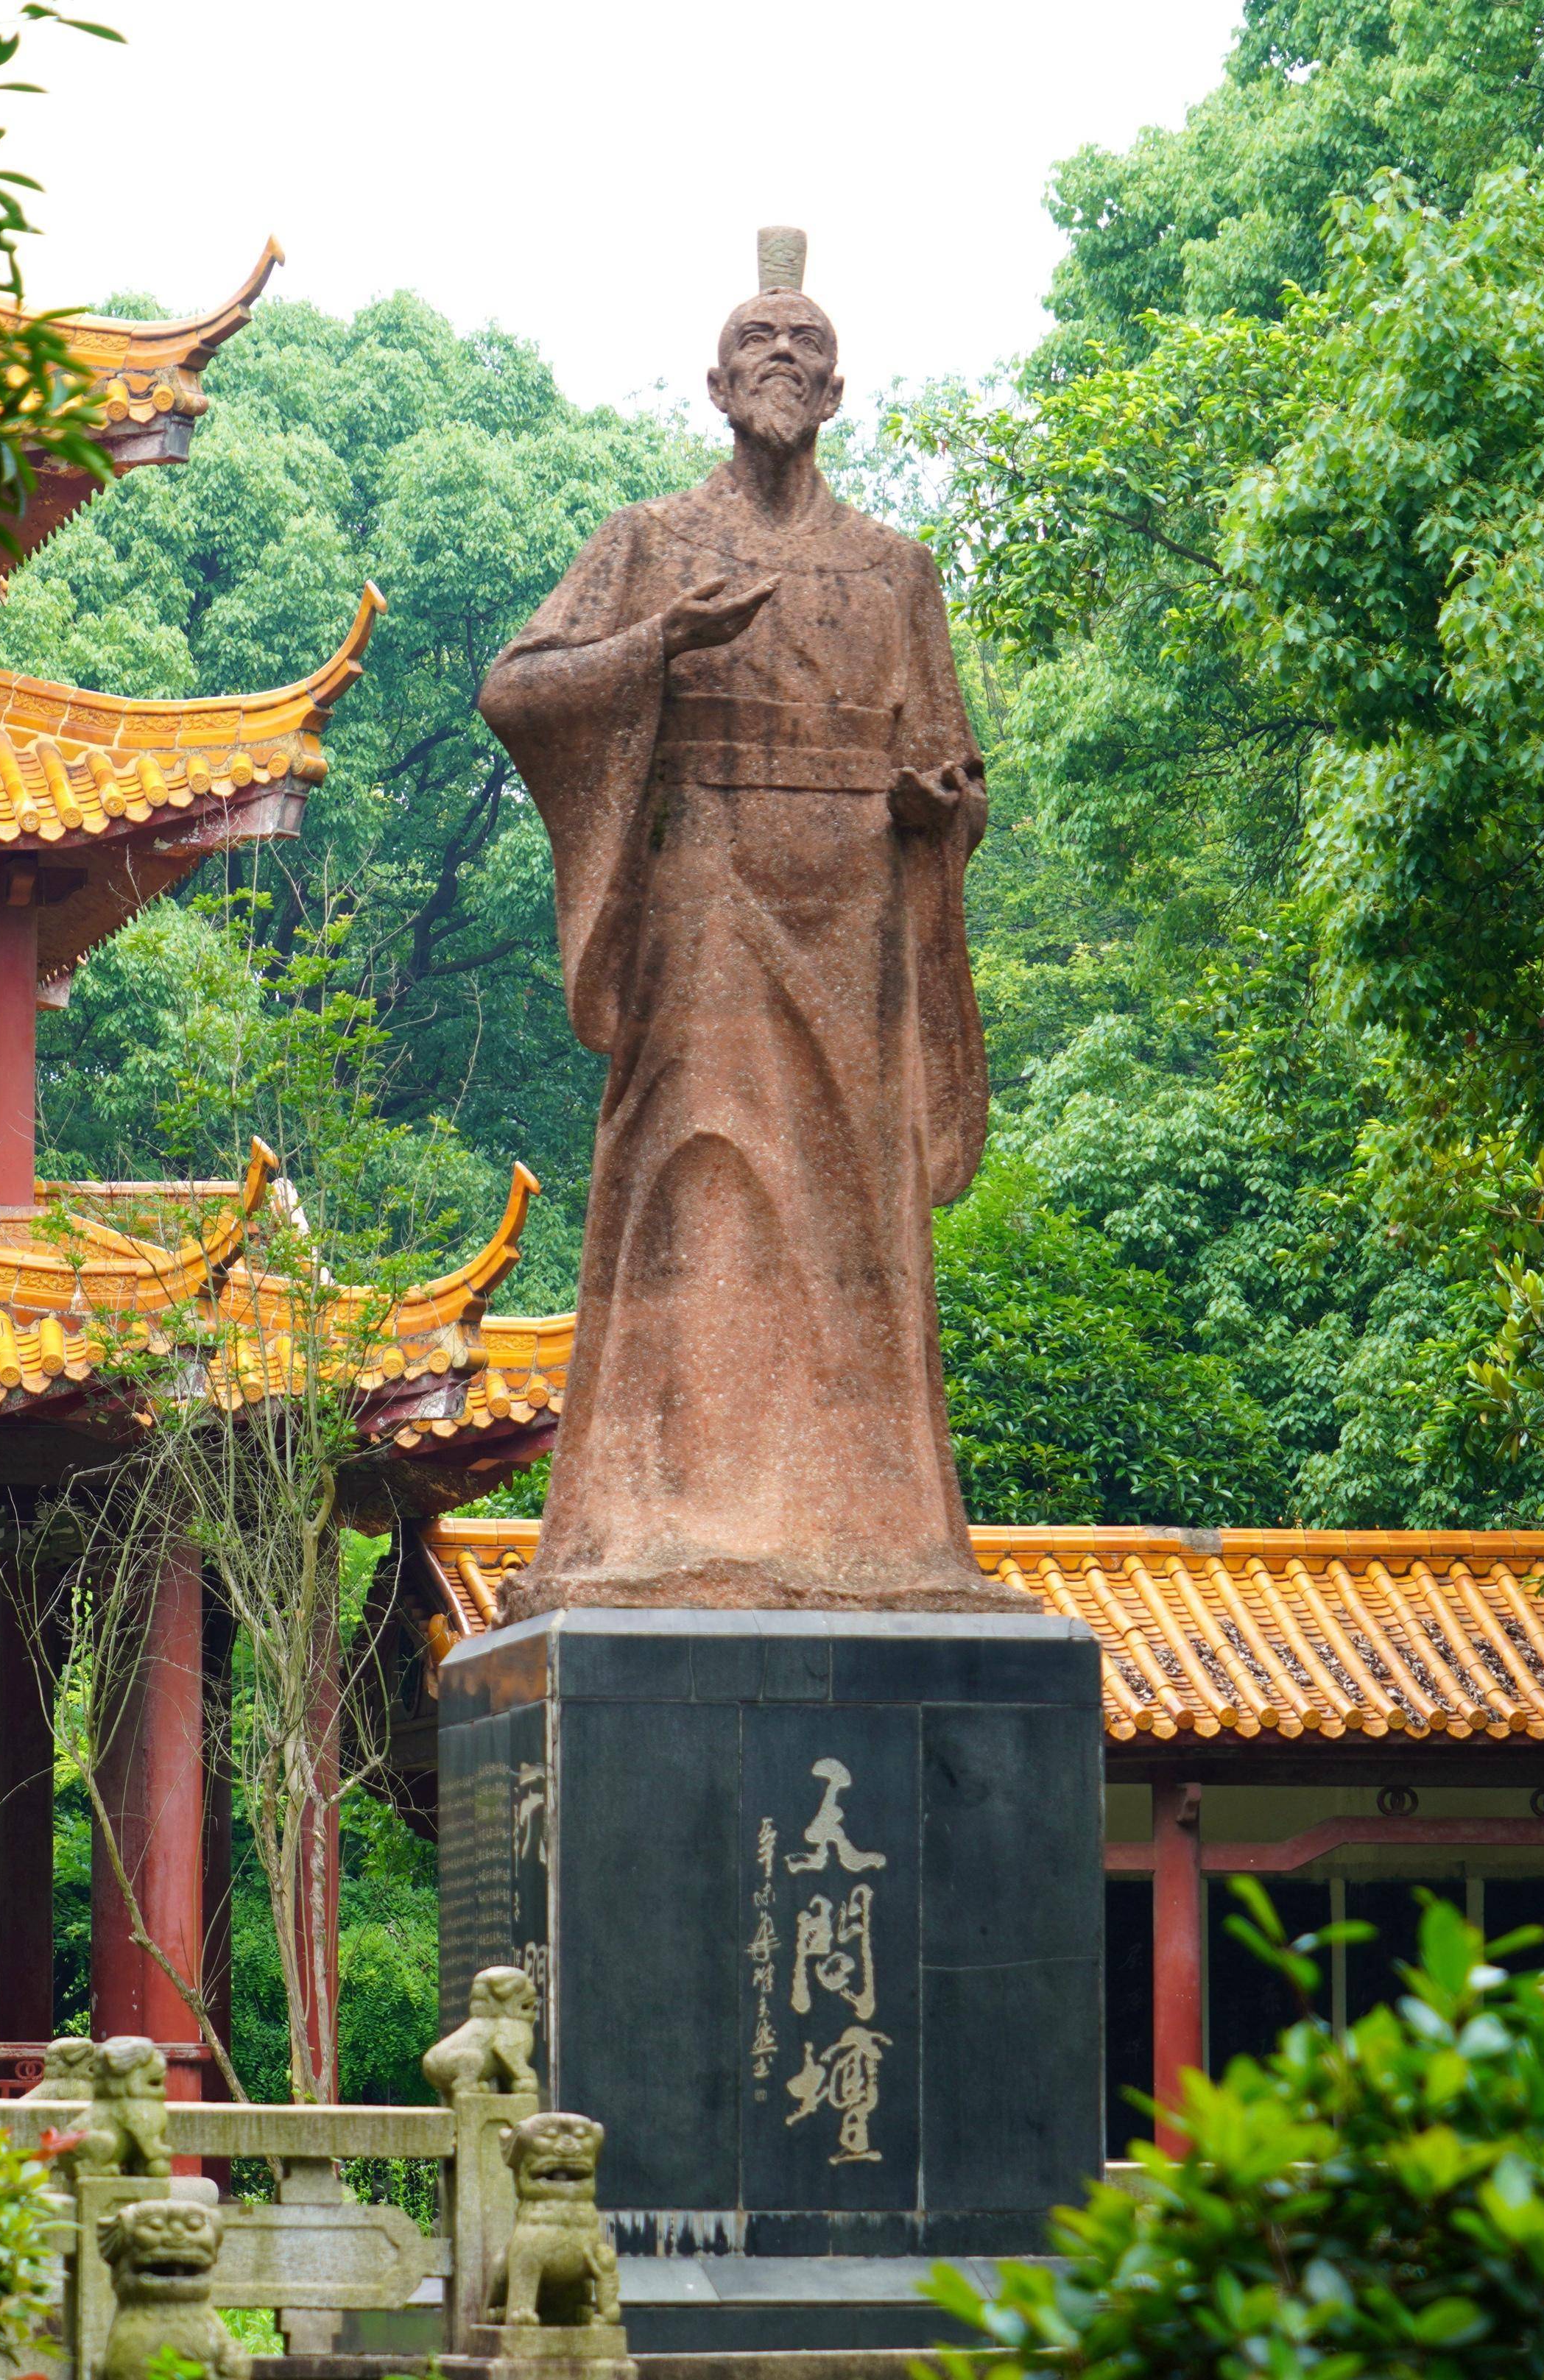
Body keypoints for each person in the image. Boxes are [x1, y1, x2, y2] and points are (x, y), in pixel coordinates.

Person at [478, 230, 1007, 1613]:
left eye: (809, 352)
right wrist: (662, 645)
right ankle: (663, 1522)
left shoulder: (898, 571)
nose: (784, 365)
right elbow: (518, 688)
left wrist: (937, 806)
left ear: (838, 395)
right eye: (761, 349)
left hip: (856, 932)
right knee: (699, 1182)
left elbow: (958, 767)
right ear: (716, 385)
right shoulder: (652, 542)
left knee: (860, 1218)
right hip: (704, 912)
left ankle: (874, 1538)